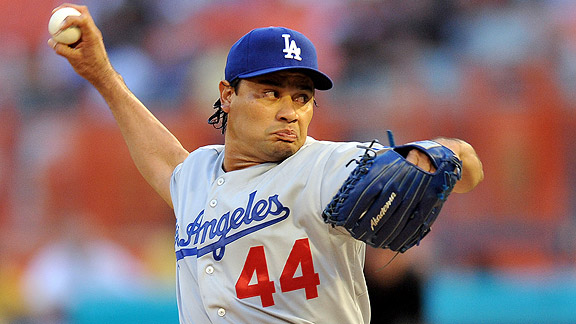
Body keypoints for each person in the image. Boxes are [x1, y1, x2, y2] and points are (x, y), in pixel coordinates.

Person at [48, 4, 484, 324]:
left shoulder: (328, 167)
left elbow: (466, 166)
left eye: (301, 97)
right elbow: (168, 163)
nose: (290, 111)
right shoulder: (197, 175)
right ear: (227, 95)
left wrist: (440, 155)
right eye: (271, 93)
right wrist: (103, 75)